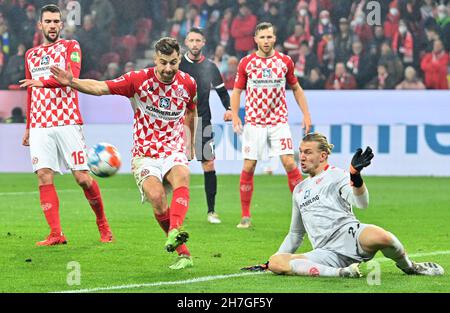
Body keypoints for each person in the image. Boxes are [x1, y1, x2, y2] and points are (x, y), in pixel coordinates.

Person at [48, 37, 197, 270]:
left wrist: (190, 144)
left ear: (179, 60)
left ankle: (176, 230)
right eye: (164, 62)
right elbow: (100, 88)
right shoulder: (137, 80)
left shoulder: (188, 83)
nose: (169, 68)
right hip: (145, 154)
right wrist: (72, 82)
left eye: (174, 63)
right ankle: (183, 252)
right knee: (157, 199)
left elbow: (191, 110)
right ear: (155, 60)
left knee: (183, 176)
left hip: (172, 148)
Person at [265, 133, 444, 278]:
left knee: (383, 237)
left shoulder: (338, 176)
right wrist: (277, 258)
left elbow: (362, 203)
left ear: (323, 156)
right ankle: (342, 273)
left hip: (350, 235)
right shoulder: (299, 189)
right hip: (325, 251)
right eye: (301, 152)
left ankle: (411, 267)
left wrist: (355, 176)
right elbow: (296, 234)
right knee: (275, 262)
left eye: (308, 152)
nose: (302, 157)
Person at [19, 4, 113, 246]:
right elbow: (30, 92)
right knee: (43, 175)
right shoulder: (31, 55)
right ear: (40, 25)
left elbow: (72, 78)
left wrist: (42, 83)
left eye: (56, 21)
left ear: (61, 24)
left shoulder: (71, 46)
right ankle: (56, 234)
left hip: (67, 120)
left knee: (82, 177)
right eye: (47, 21)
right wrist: (28, 126)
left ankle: (102, 223)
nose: (52, 25)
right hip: (40, 124)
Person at [231, 22, 312, 229]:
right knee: (249, 166)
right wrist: (235, 115)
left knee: (289, 163)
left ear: (274, 39)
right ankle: (245, 215)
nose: (266, 41)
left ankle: (304, 212)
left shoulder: (284, 61)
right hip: (254, 123)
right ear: (255, 39)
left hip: (278, 122)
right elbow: (237, 91)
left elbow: (296, 88)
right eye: (262, 37)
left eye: (269, 37)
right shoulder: (246, 63)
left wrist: (306, 114)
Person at [180, 27, 232, 224]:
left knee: (208, 164)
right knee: (176, 165)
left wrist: (228, 108)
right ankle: (173, 210)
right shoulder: (177, 65)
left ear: (203, 43)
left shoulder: (209, 67)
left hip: (203, 121)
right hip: (178, 123)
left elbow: (222, 93)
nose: (194, 44)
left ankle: (211, 211)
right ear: (186, 42)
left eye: (198, 41)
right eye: (191, 40)